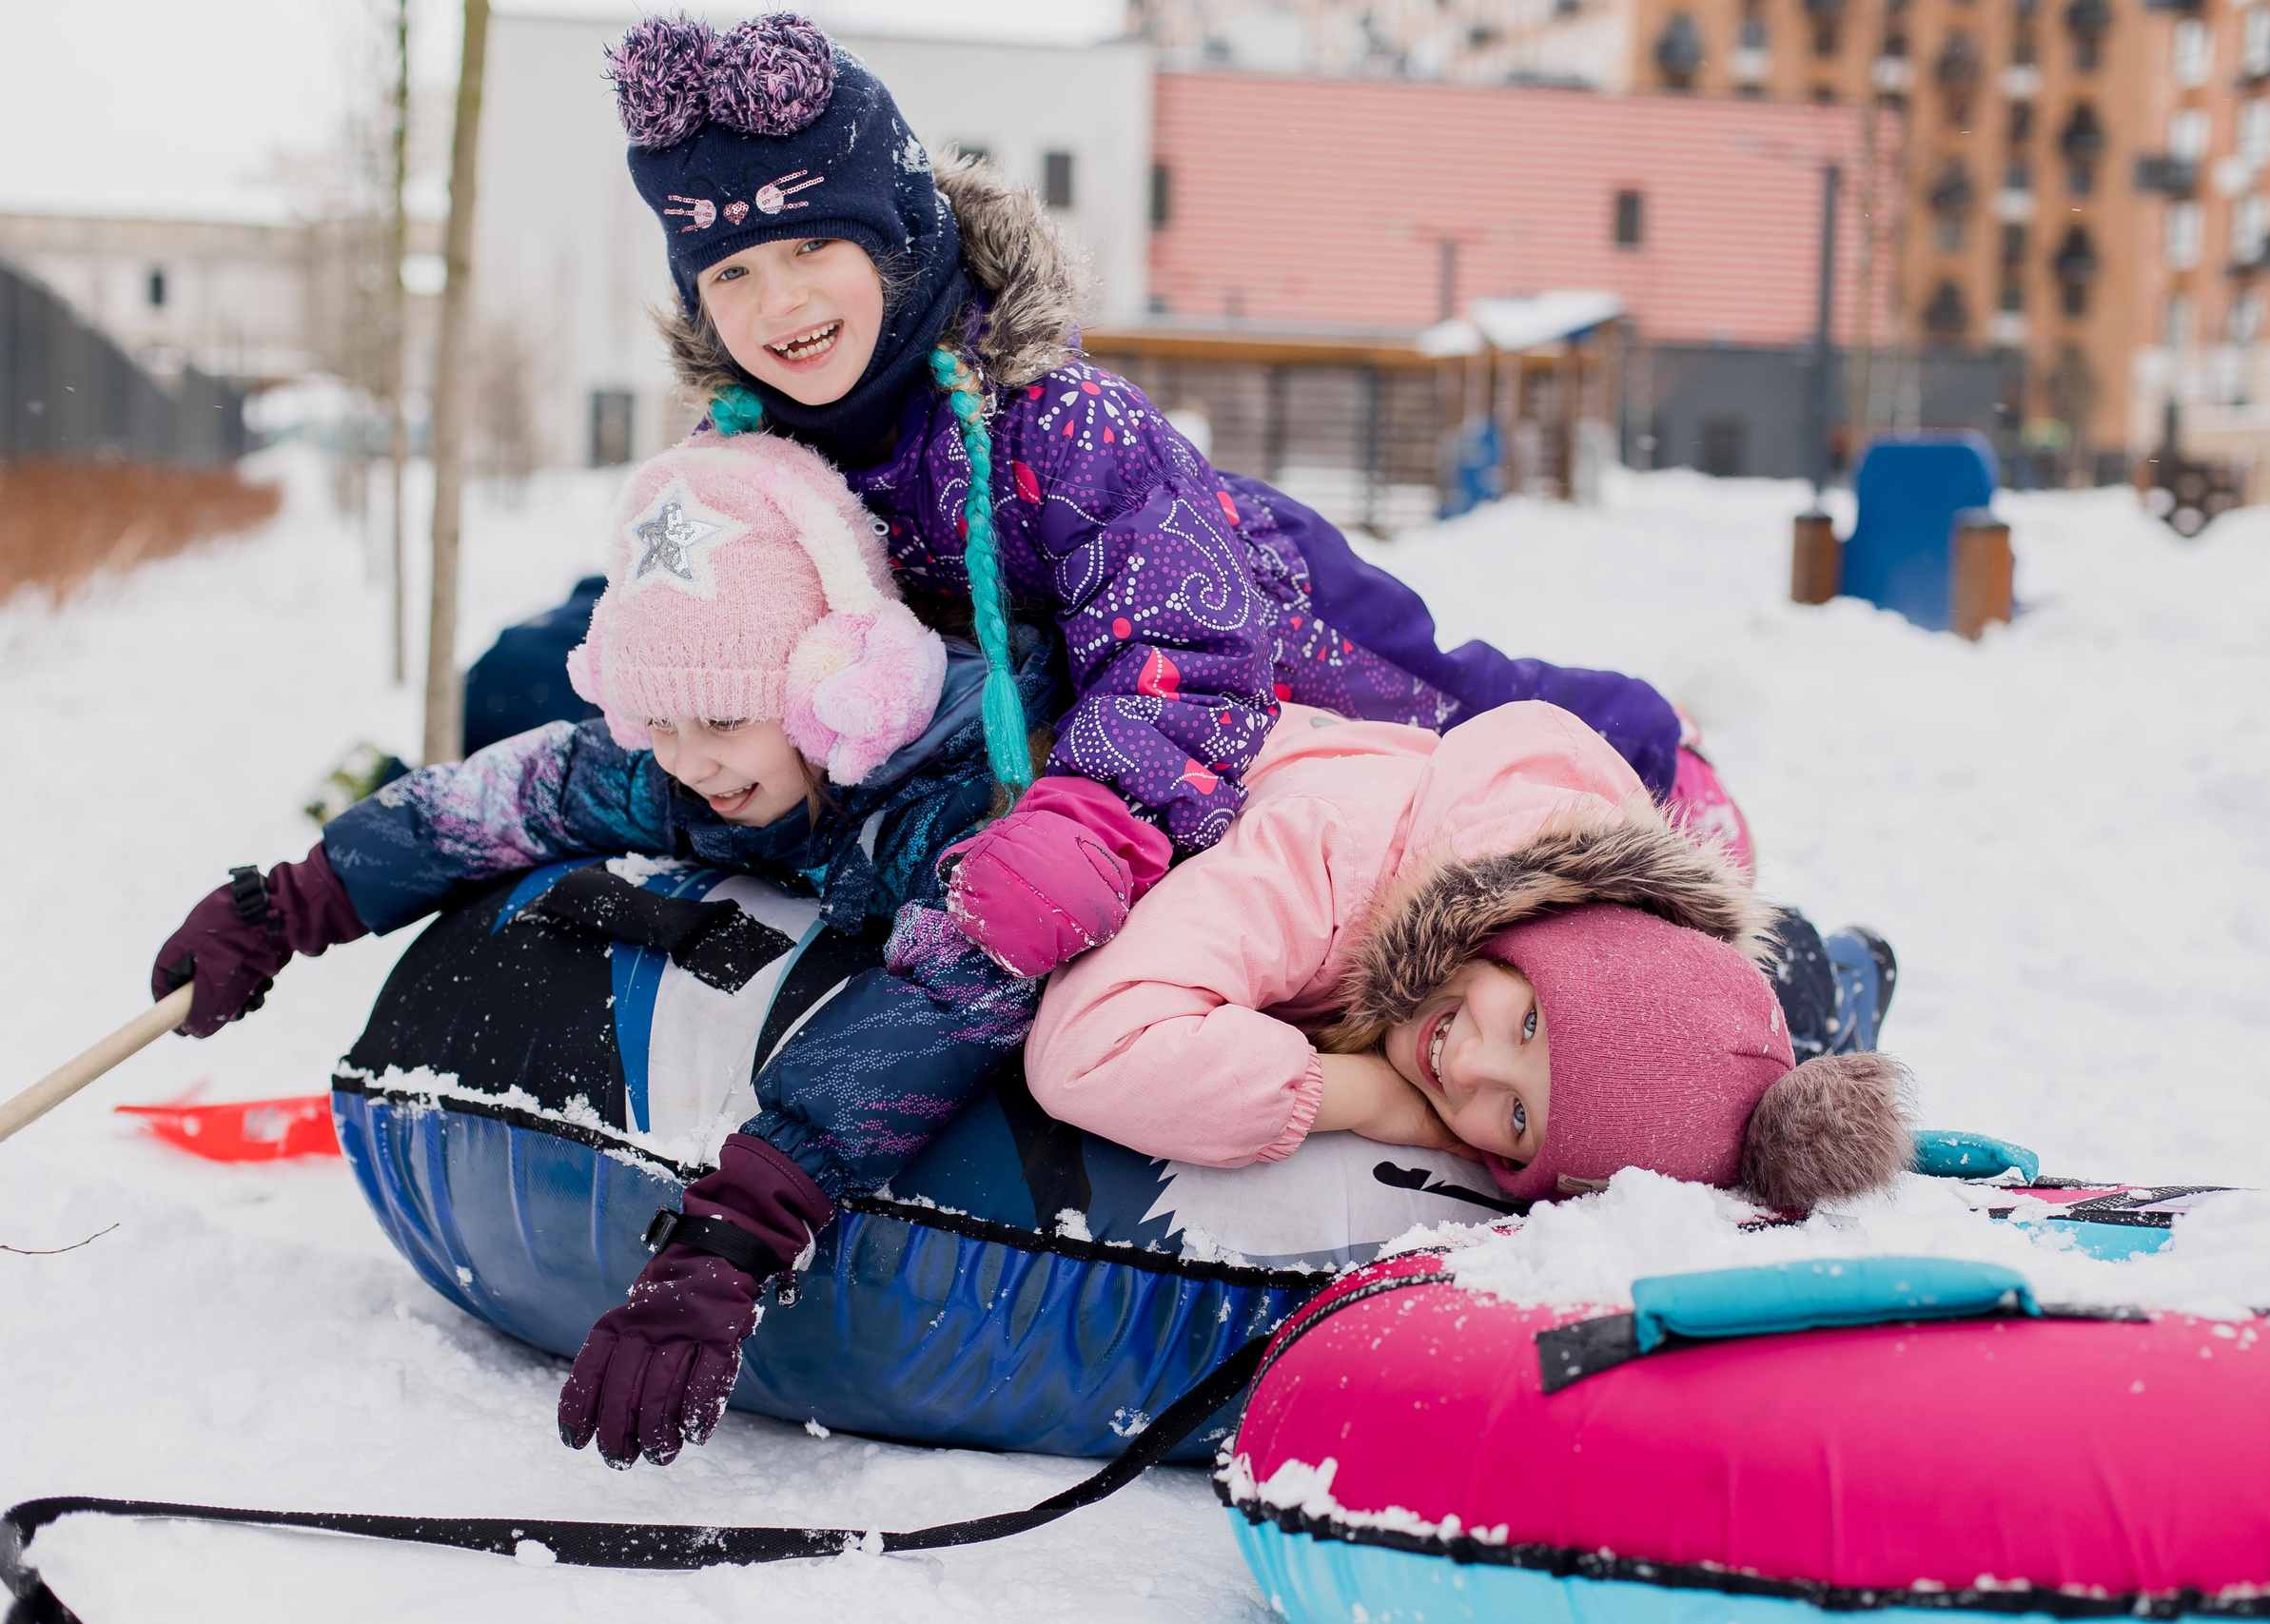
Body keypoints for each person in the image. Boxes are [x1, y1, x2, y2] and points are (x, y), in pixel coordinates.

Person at [605, 11, 1756, 981]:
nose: (778, 302)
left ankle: (1656, 752)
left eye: (813, 249)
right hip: (1063, 685)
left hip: (1249, 596)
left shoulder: (1064, 423)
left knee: (1448, 705)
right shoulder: (738, 461)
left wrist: (1089, 820)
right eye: (732, 273)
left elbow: (1177, 655)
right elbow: (715, 632)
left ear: (899, 235)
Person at [149, 431, 1100, 1469]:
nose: (688, 763)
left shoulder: (963, 801)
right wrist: (293, 903)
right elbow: (518, 795)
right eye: (656, 723)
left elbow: (947, 997)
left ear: (840, 687)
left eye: (723, 721)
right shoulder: (700, 758)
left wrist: (732, 1237)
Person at [1027, 701, 1911, 1211]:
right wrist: (1367, 1099)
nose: (1471, 1067)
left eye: (1517, 1118)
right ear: (1536, 929)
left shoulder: (1482, 967)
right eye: (1529, 1020)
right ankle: (1834, 974)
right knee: (1776, 972)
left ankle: (1831, 980)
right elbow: (1089, 1049)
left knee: (1749, 1035)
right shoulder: (1336, 857)